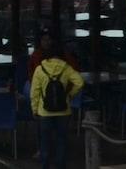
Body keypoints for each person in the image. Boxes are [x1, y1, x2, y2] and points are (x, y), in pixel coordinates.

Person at [29, 32, 84, 169]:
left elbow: (34, 93)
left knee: (45, 142)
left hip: (44, 112)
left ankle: (45, 166)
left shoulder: (40, 69)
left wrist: (34, 109)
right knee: (61, 141)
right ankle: (60, 166)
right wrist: (69, 95)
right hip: (63, 111)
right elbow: (80, 82)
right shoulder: (66, 68)